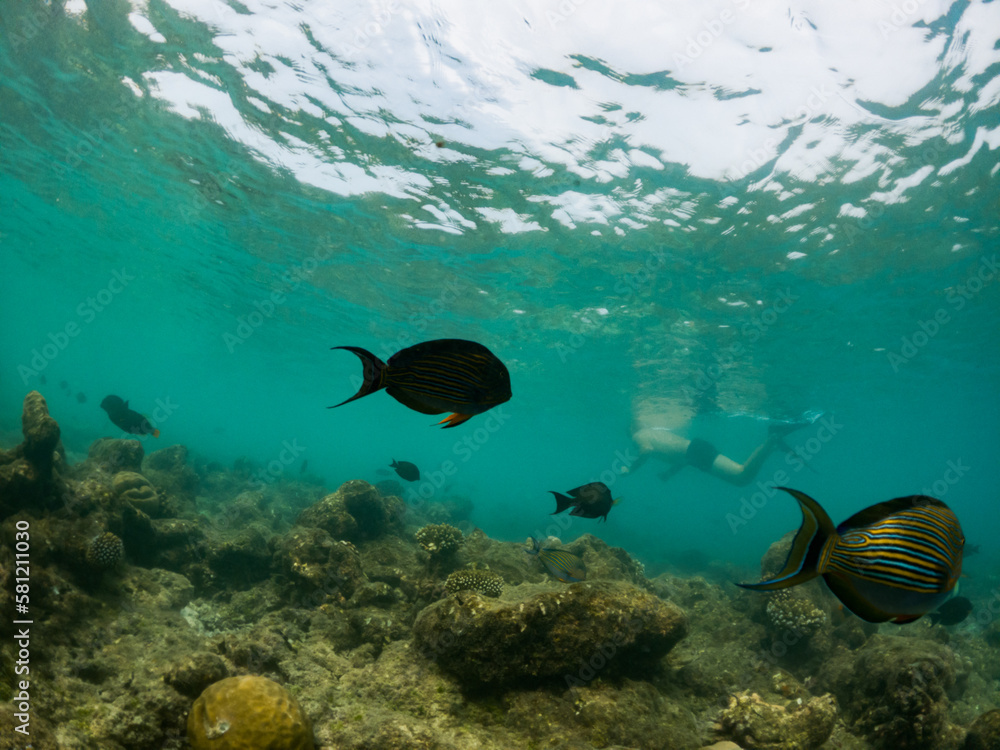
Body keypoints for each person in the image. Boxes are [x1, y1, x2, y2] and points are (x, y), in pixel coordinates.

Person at [623, 399, 809, 487]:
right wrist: (668, 474)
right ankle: (772, 443)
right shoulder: (656, 434)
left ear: (632, 429)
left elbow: (645, 451)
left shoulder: (639, 435)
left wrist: (630, 470)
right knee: (741, 476)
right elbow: (678, 455)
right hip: (695, 450)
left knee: (741, 477)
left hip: (696, 452)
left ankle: (772, 438)